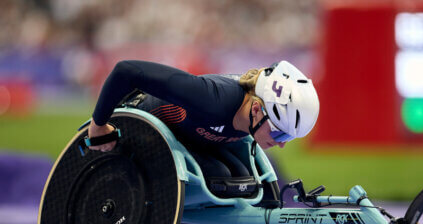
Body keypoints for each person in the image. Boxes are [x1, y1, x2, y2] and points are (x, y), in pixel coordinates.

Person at [88, 60, 320, 179]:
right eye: (281, 133)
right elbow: (125, 70)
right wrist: (98, 125)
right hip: (137, 128)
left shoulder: (250, 115)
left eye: (289, 136)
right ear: (257, 109)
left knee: (242, 177)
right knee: (220, 175)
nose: (281, 143)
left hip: (185, 139)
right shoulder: (211, 99)